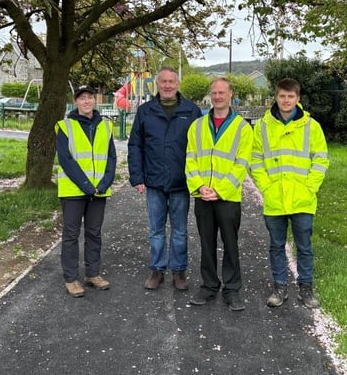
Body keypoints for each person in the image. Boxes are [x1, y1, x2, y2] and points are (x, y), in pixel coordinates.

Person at [249, 78, 329, 309]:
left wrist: (310, 187)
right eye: (282, 96)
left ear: (298, 98)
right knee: (276, 246)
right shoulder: (263, 126)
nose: (286, 100)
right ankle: (280, 286)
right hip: (274, 198)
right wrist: (266, 187)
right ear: (276, 97)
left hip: (302, 198)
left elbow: (320, 159)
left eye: (290, 96)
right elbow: (256, 160)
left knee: (304, 246)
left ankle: (306, 288)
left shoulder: (311, 126)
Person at [128, 67, 202, 290]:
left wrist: (198, 179)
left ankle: (179, 271)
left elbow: (201, 146)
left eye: (172, 81)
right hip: (154, 181)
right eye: (164, 82)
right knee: (156, 230)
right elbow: (135, 145)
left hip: (181, 182)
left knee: (179, 230)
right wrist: (137, 177)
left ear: (178, 84)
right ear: (158, 84)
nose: (168, 85)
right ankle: (157, 270)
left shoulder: (191, 111)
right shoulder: (145, 111)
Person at [185, 77, 253, 311]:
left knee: (230, 243)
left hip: (228, 197)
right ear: (209, 95)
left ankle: (232, 289)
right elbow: (190, 158)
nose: (217, 97)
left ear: (230, 94)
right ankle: (209, 285)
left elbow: (241, 163)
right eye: (214, 93)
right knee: (206, 243)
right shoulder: (197, 126)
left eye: (222, 92)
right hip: (203, 195)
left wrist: (221, 190)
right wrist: (200, 187)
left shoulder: (242, 127)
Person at [55, 85, 117, 298]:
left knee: (94, 233)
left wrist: (106, 182)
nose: (87, 101)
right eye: (82, 98)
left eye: (90, 97)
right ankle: (71, 278)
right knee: (71, 235)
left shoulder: (106, 126)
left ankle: (93, 273)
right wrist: (87, 186)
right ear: (76, 101)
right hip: (73, 190)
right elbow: (66, 160)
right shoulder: (64, 126)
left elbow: (111, 158)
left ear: (95, 100)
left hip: (99, 190)